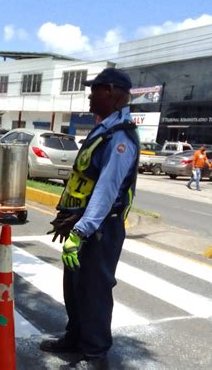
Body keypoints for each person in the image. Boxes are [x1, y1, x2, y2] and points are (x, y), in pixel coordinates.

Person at [41, 68, 140, 370]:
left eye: (94, 89)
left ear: (111, 91)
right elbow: (85, 180)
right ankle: (75, 337)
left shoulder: (121, 137)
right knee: (74, 285)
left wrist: (81, 230)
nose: (89, 95)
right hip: (85, 224)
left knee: (94, 289)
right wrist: (70, 214)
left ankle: (96, 355)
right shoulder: (103, 130)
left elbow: (107, 190)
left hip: (101, 229)